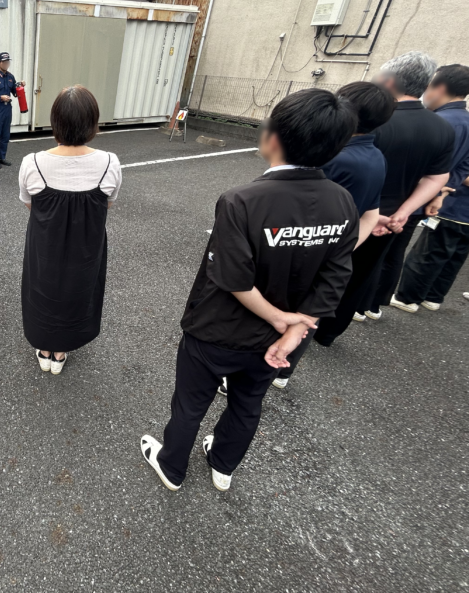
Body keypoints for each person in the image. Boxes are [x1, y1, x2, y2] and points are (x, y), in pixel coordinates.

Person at [141, 89, 358, 493]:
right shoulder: (343, 202)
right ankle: (223, 466)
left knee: (191, 403)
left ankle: (172, 466)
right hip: (276, 340)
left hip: (217, 329)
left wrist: (280, 319)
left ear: (274, 137)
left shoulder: (242, 200)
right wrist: (294, 330)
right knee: (247, 403)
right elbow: (336, 276)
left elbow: (234, 277)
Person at [313, 52, 454, 345]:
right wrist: (404, 212)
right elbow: (436, 177)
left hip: (348, 211)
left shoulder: (370, 122)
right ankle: (329, 332)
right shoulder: (442, 127)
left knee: (323, 269)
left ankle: (303, 325)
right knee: (360, 275)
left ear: (388, 81)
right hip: (391, 221)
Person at [269, 81, 395, 389]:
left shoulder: (334, 160)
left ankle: (262, 369)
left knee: (281, 311)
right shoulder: (377, 157)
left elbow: (293, 208)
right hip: (331, 248)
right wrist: (343, 249)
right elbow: (371, 213)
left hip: (299, 250)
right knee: (310, 310)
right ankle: (283, 371)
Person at [18, 86, 122, 375]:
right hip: (87, 245)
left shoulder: (33, 162)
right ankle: (62, 350)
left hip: (44, 243)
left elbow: (28, 203)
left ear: (55, 122)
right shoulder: (109, 163)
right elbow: (108, 203)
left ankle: (45, 348)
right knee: (78, 289)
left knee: (43, 289)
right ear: (93, 123)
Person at [391, 64, 469, 313]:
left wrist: (439, 191)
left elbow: (427, 166)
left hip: (420, 199)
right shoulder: (466, 121)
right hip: (446, 202)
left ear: (440, 87)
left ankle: (405, 298)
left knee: (425, 253)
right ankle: (432, 297)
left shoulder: (441, 122)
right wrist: (446, 188)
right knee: (451, 256)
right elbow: (463, 167)